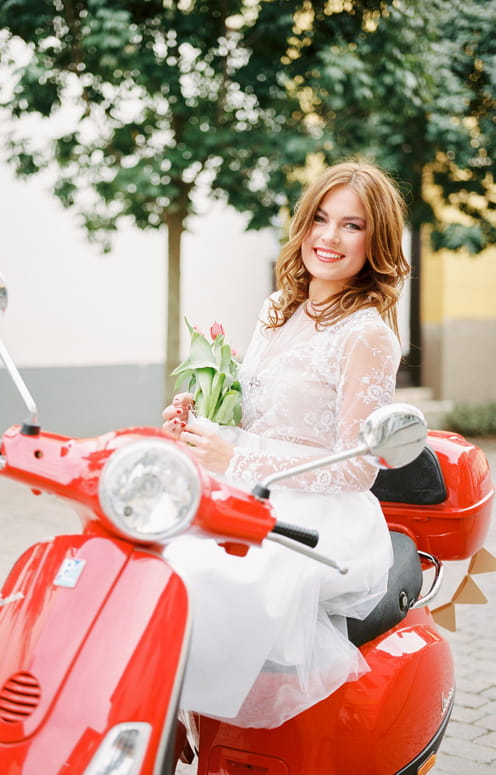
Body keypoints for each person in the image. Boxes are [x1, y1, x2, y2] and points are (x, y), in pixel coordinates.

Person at [162, 160, 411, 729]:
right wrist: (201, 418)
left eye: (352, 225)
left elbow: (358, 470)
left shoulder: (368, 334)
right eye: (321, 218)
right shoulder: (277, 308)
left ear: (377, 240)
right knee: (143, 557)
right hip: (245, 489)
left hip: (319, 514)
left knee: (207, 579)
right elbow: (260, 413)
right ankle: (161, 726)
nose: (329, 237)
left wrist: (238, 457)